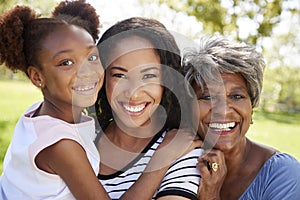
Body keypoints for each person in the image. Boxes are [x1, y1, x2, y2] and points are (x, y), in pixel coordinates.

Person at [0, 0, 112, 199]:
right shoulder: (61, 145)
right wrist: (160, 164)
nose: (87, 72)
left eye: (92, 57)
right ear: (37, 77)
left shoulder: (36, 113)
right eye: (66, 63)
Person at [91, 17, 203, 199]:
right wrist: (158, 163)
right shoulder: (80, 138)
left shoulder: (183, 149)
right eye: (119, 75)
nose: (134, 93)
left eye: (148, 75)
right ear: (103, 77)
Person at [182, 36, 300, 199]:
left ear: (251, 108)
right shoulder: (176, 165)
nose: (223, 111)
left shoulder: (283, 174)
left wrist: (211, 196)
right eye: (208, 97)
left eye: (236, 96)